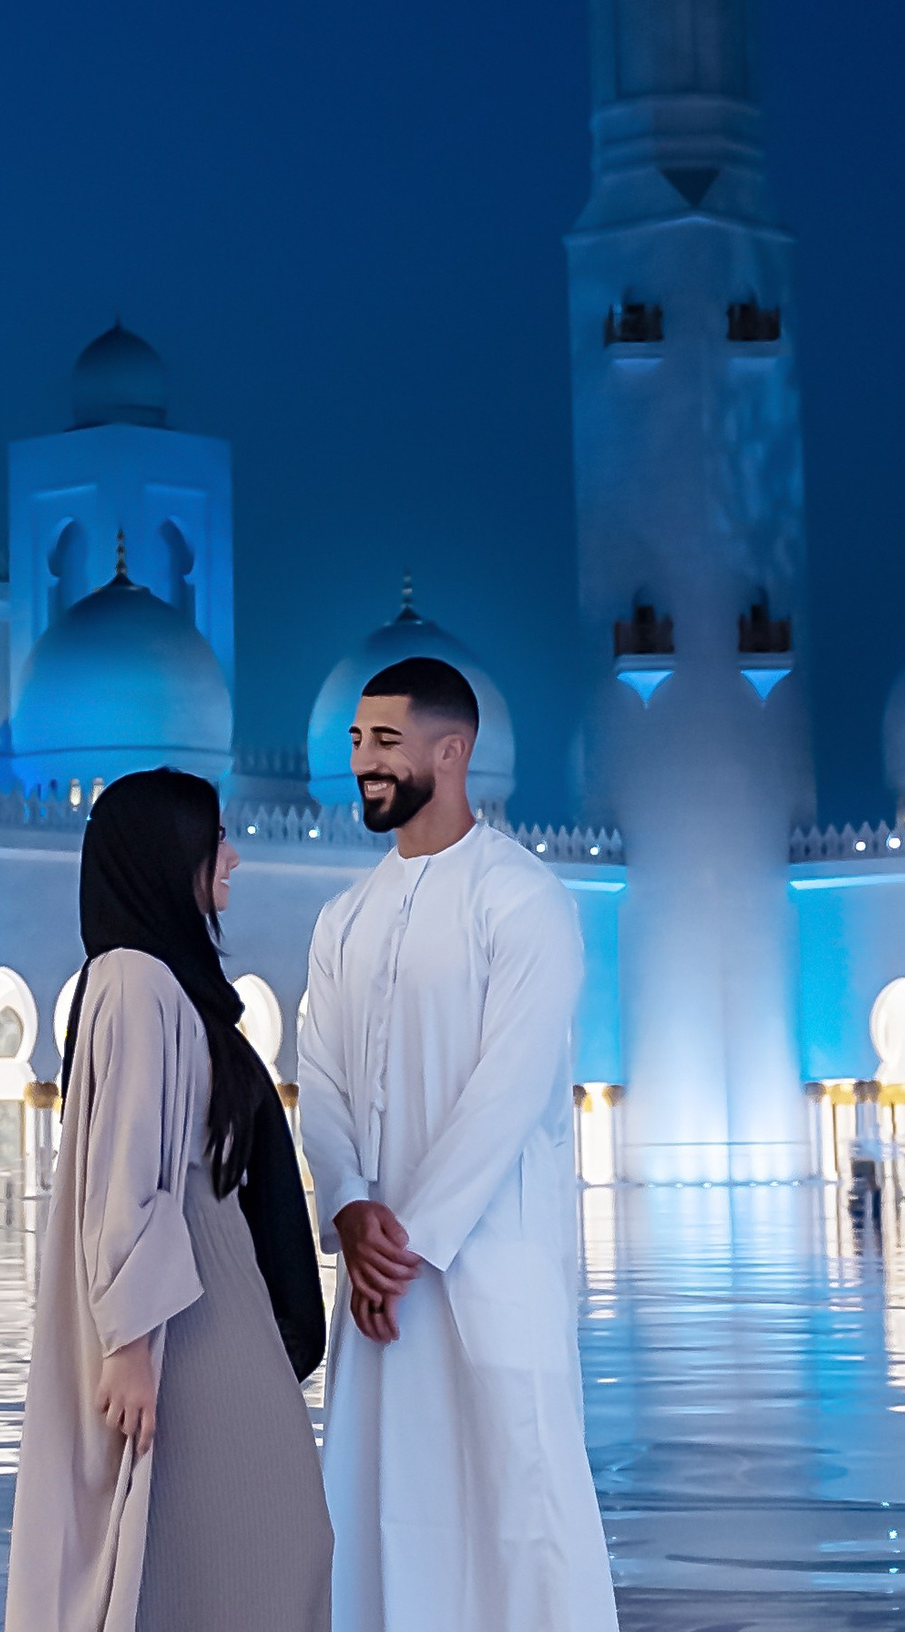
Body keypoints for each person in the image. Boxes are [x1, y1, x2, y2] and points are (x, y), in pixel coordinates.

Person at [300, 657, 617, 1632]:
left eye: (384, 741)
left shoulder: (521, 898)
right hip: (375, 1278)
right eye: (356, 740)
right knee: (378, 1501)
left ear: (454, 749)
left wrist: (412, 1240)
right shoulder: (343, 919)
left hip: (487, 1267)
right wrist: (352, 1208)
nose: (363, 762)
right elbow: (320, 1081)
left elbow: (511, 1086)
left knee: (518, 1502)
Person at [6, 766, 331, 1632]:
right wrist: (129, 1344)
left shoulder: (166, 990)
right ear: (164, 857)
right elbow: (126, 1174)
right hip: (178, 1321)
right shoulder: (134, 980)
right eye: (212, 839)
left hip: (207, 1304)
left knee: (256, 1547)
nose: (232, 859)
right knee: (252, 1544)